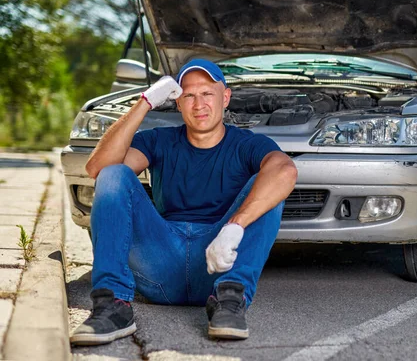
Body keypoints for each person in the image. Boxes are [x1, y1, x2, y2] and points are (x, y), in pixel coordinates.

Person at [70, 59, 298, 345]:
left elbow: (285, 170)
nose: (198, 104)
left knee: (269, 184)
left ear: (225, 97)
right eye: (189, 95)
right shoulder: (159, 140)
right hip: (159, 264)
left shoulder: (247, 144)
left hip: (217, 266)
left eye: (207, 93)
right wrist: (145, 102)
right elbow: (97, 169)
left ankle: (230, 300)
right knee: (114, 173)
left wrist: (234, 227)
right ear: (177, 102)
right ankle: (112, 305)